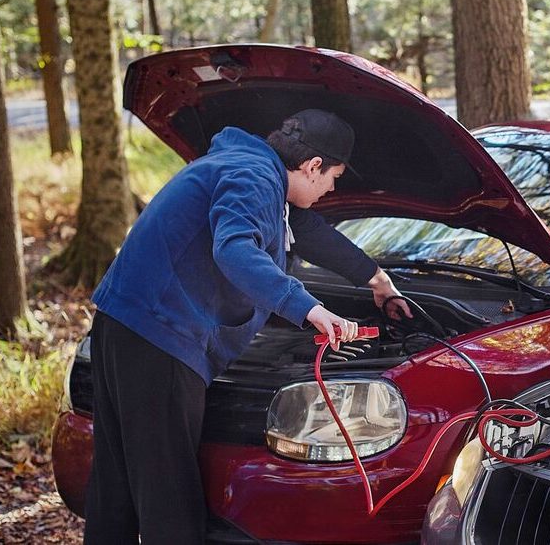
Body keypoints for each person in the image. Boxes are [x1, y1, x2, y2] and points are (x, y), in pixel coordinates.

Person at [83, 108, 411, 544]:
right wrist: (309, 309)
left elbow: (307, 231)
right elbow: (235, 248)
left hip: (121, 324)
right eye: (333, 177)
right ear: (313, 166)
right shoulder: (254, 177)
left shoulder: (249, 166)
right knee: (168, 496)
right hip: (159, 337)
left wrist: (377, 279)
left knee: (116, 487)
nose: (333, 188)